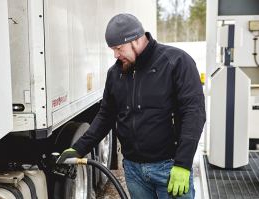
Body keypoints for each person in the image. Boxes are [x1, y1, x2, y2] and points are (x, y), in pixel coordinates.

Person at [58, 13, 206, 199]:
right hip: (134, 171)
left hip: (169, 168)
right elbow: (105, 116)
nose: (115, 55)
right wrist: (79, 148)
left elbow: (194, 113)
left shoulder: (176, 62)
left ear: (135, 40)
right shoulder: (115, 74)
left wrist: (183, 164)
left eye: (119, 48)